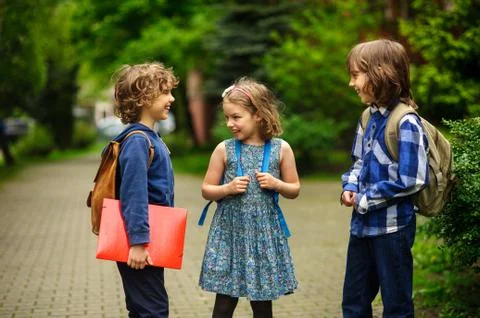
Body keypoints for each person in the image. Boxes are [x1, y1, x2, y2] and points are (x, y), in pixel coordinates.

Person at [340, 39, 429, 317]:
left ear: (381, 74)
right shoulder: (367, 117)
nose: (351, 83)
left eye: (356, 75)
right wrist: (350, 186)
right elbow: (359, 161)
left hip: (393, 232)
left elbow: (412, 178)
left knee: (397, 307)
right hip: (362, 227)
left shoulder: (406, 122)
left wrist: (366, 198)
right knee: (354, 304)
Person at [199, 77, 300, 318]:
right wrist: (227, 189)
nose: (230, 123)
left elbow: (294, 188)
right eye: (227, 118)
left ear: (258, 114)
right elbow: (206, 189)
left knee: (262, 304)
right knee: (224, 302)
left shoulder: (281, 149)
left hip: (264, 235)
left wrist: (276, 184)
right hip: (229, 234)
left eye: (236, 117)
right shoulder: (224, 149)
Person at [111, 62, 178, 317]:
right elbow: (133, 195)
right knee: (153, 310)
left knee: (143, 309)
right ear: (143, 97)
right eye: (164, 92)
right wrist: (138, 243)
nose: (171, 98)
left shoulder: (150, 137)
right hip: (140, 242)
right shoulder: (139, 141)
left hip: (152, 238)